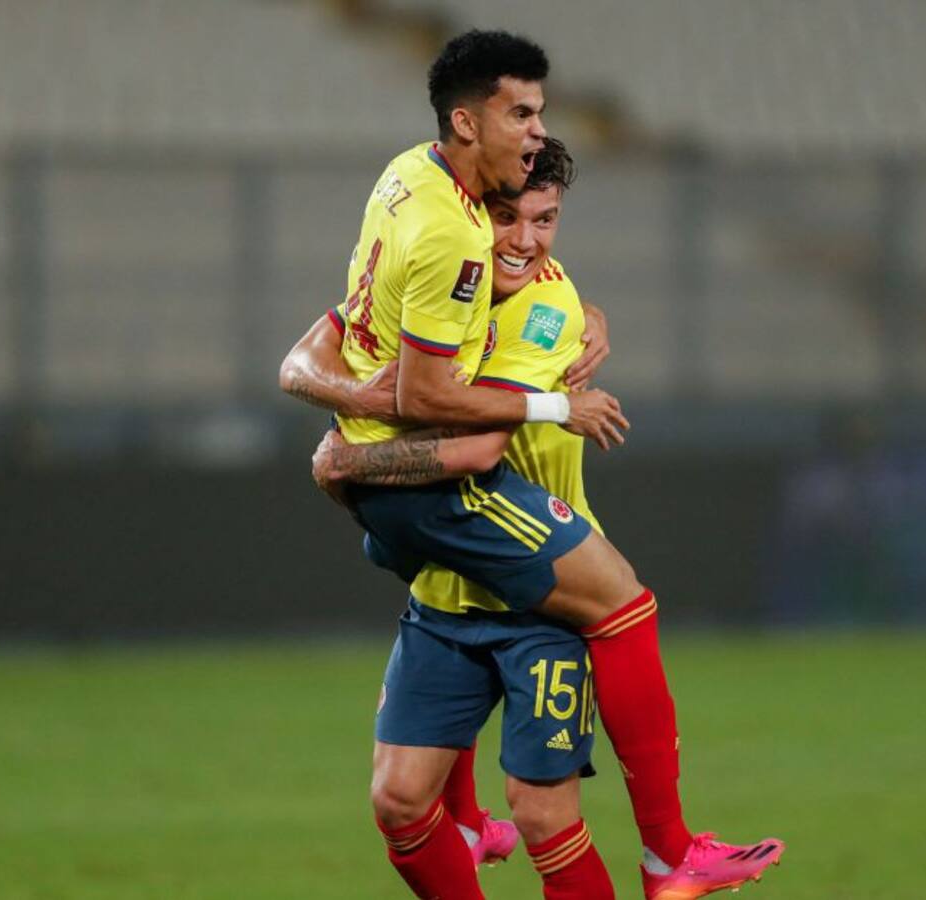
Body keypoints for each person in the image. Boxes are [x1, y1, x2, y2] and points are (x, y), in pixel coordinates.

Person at [295, 136, 784, 896]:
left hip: (542, 605)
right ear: (471, 214)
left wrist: (344, 461)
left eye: (545, 221)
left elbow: (474, 449)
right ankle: (499, 826)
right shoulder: (435, 283)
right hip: (446, 596)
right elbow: (309, 359)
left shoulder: (547, 310)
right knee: (397, 804)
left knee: (544, 816)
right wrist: (356, 400)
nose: (524, 241)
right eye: (507, 218)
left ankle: (666, 853)